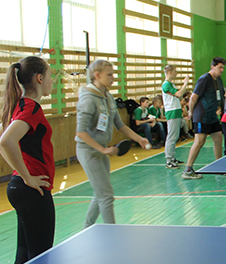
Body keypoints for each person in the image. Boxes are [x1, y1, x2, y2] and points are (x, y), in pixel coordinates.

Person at [0, 56, 56, 264]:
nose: (52, 81)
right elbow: (6, 140)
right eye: (50, 76)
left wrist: (20, 172)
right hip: (32, 190)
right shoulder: (31, 108)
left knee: (25, 258)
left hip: (22, 188)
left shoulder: (20, 105)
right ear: (39, 78)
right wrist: (27, 176)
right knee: (40, 258)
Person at [75, 60, 149, 225]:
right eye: (109, 75)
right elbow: (80, 132)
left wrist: (139, 138)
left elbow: (120, 125)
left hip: (102, 149)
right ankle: (112, 233)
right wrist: (102, 150)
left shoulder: (108, 97)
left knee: (101, 193)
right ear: (97, 75)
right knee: (106, 196)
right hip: (88, 151)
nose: (113, 78)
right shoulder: (88, 99)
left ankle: (87, 228)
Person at [183, 57, 226, 180]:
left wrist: (219, 107)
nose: (222, 70)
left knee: (218, 138)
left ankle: (219, 166)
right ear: (212, 67)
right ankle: (188, 169)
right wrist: (191, 111)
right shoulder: (204, 79)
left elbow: (218, 96)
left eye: (223, 68)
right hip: (202, 116)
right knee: (199, 141)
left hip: (212, 116)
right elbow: (194, 97)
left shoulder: (218, 80)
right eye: (220, 67)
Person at [162, 65, 190, 168]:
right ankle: (169, 160)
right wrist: (185, 83)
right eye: (175, 71)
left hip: (176, 112)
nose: (176, 73)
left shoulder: (171, 84)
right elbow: (178, 94)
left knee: (175, 136)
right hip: (172, 112)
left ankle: (172, 157)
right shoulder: (166, 84)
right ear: (169, 72)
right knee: (172, 136)